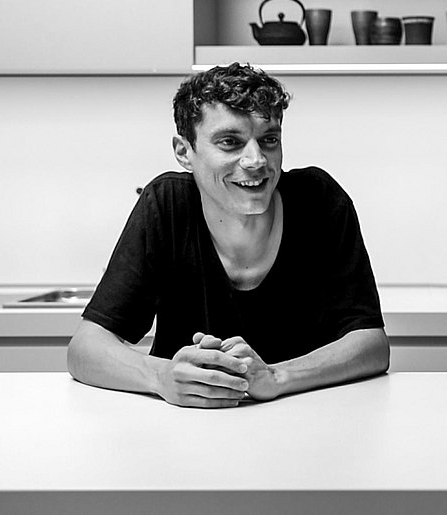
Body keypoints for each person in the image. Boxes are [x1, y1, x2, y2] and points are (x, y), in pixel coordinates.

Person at [67, 63, 389, 408]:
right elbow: (85, 347)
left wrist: (278, 377)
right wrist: (160, 376)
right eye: (230, 142)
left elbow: (371, 343)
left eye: (269, 140)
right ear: (183, 152)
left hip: (307, 421)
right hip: (185, 431)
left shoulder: (320, 201)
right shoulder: (167, 205)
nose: (256, 160)